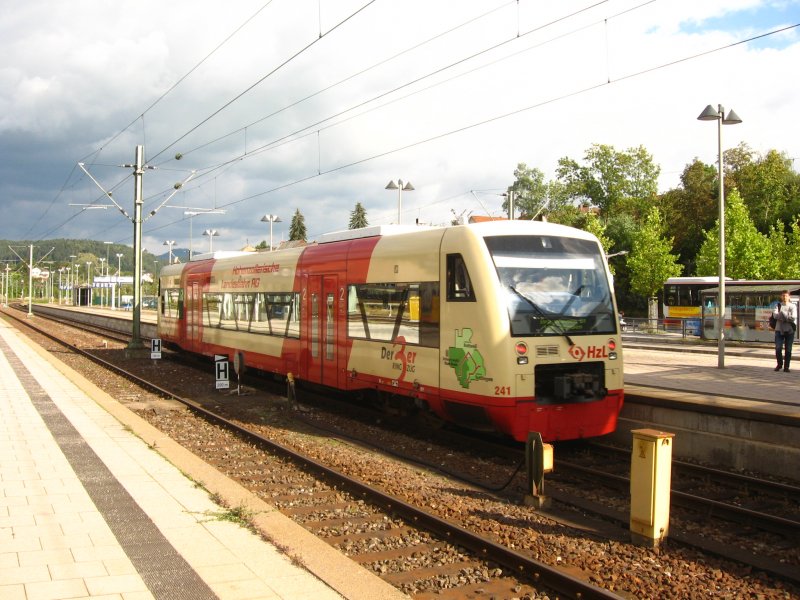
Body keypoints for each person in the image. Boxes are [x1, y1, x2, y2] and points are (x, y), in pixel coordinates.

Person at [772, 290, 797, 372]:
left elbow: (793, 317)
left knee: (788, 349)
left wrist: (782, 314)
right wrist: (786, 316)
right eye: (783, 295)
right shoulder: (778, 305)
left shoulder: (792, 306)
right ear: (781, 296)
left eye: (786, 296)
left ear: (789, 297)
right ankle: (779, 364)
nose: (784, 297)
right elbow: (775, 315)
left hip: (789, 330)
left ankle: (786, 367)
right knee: (778, 348)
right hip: (779, 330)